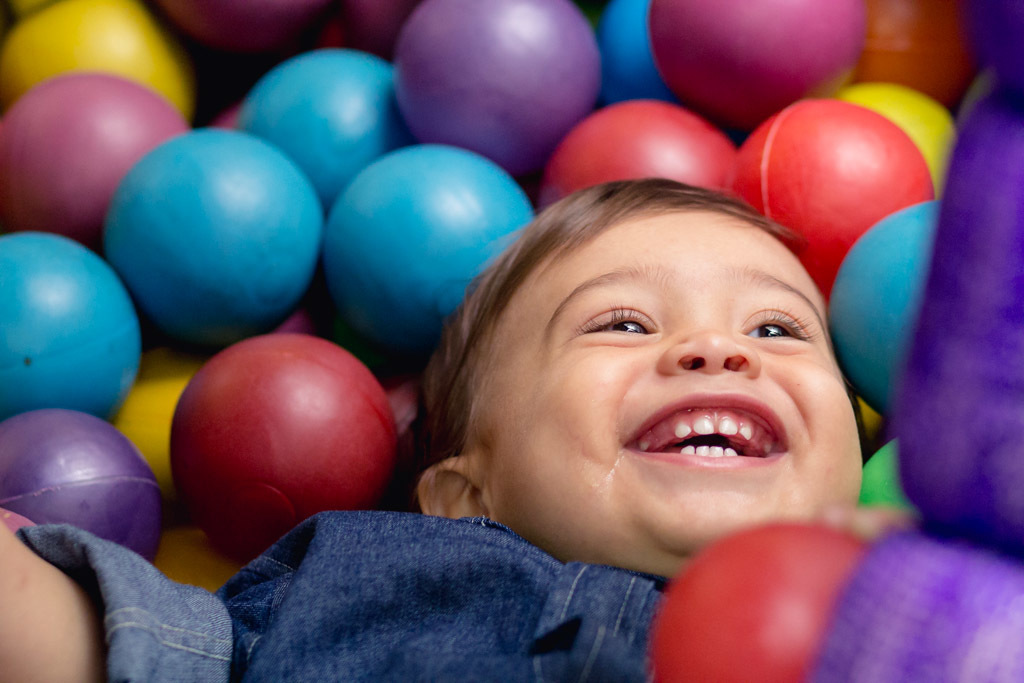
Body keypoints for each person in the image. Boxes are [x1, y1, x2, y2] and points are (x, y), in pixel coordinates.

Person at [0, 179, 865, 682]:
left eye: (777, 330)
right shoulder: (375, 590)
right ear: (463, 496)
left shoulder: (920, 618)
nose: (716, 348)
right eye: (625, 325)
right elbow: (112, 644)